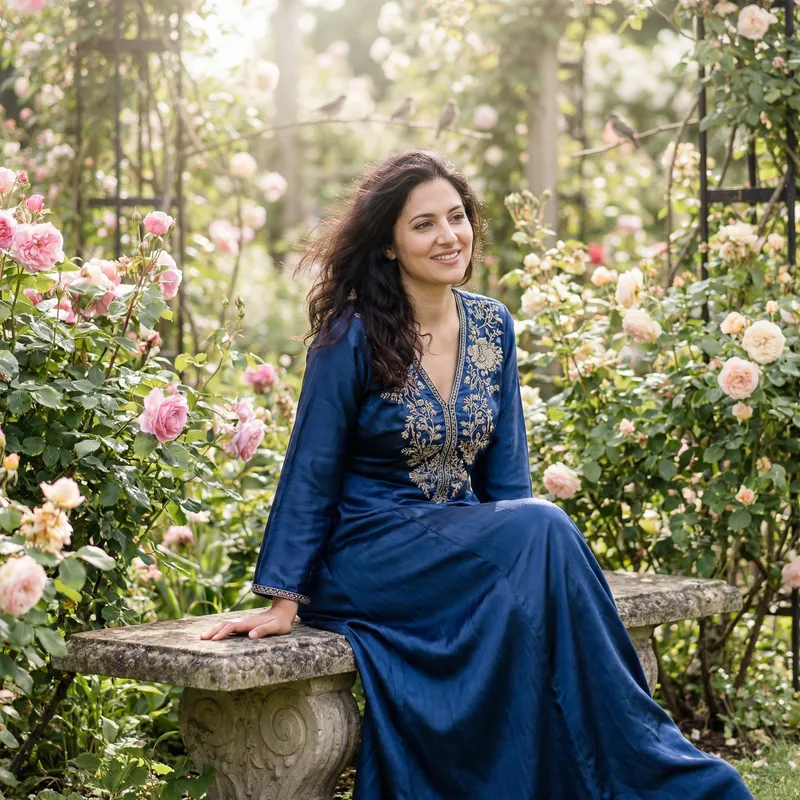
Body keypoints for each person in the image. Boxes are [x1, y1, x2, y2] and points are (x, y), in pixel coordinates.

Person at [201, 150, 753, 799]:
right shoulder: (351, 334)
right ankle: (647, 767)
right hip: (367, 552)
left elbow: (508, 475)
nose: (448, 236)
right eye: (424, 224)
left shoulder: (493, 324)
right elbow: (312, 467)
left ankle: (612, 761)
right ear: (388, 244)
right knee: (543, 529)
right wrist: (283, 597)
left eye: (456, 217)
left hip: (462, 543)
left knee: (537, 542)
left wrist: (519, 565)